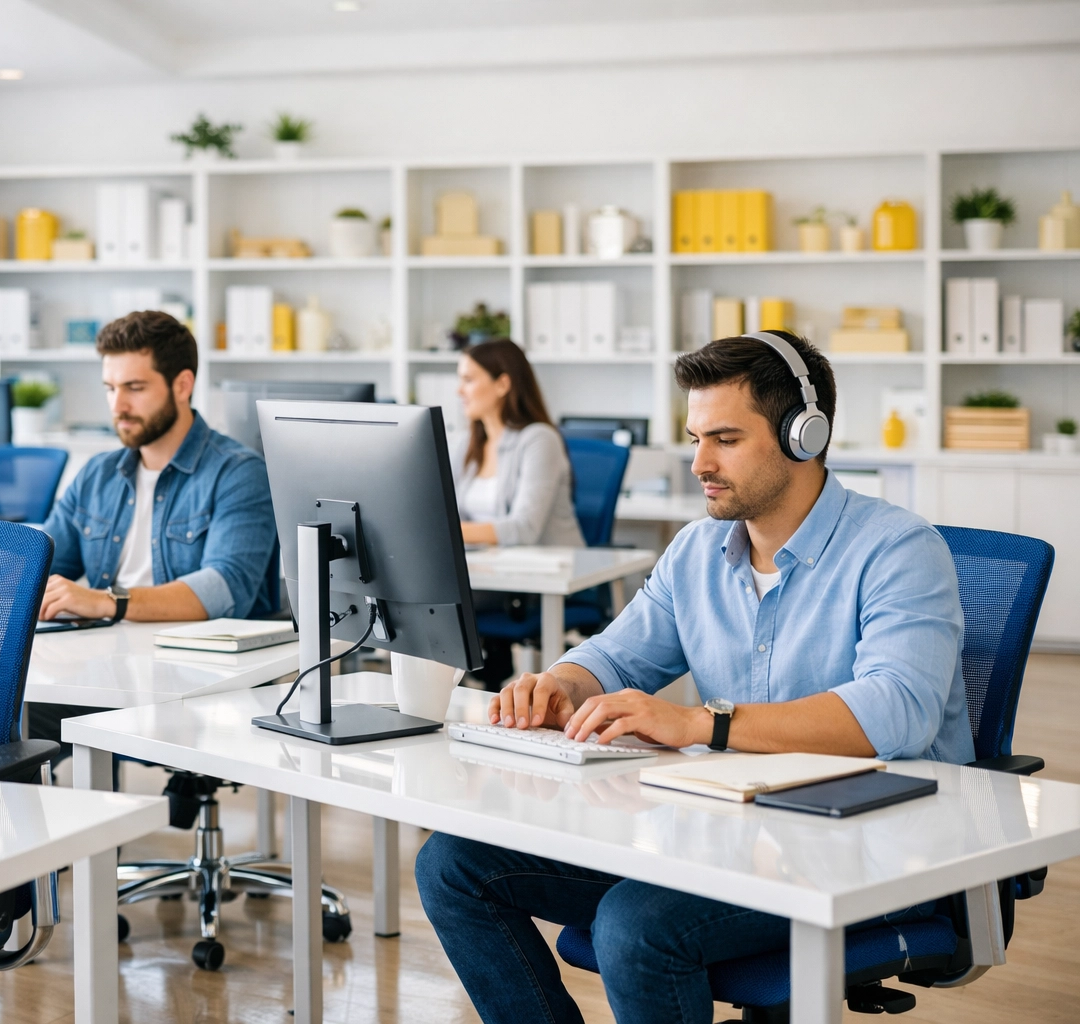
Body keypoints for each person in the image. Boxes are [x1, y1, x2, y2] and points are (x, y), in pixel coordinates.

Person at [416, 331, 972, 1024]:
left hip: (871, 850)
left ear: (805, 436)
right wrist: (559, 683)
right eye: (695, 437)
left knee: (635, 925)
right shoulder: (699, 551)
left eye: (726, 439)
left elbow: (898, 712)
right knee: (452, 865)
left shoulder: (899, 550)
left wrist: (703, 723)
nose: (699, 463)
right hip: (730, 833)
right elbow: (616, 657)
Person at [26, 310, 277, 743]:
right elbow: (38, 562)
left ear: (182, 385)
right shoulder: (98, 474)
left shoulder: (238, 472)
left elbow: (226, 586)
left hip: (198, 683)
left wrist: (106, 601)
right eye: (110, 388)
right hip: (105, 667)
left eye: (134, 388)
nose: (117, 406)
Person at [453, 338, 584, 549]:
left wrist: (448, 531)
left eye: (468, 380)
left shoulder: (539, 440)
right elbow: (451, 512)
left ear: (502, 384)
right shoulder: (467, 443)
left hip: (548, 572)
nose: (459, 391)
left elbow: (525, 529)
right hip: (491, 567)